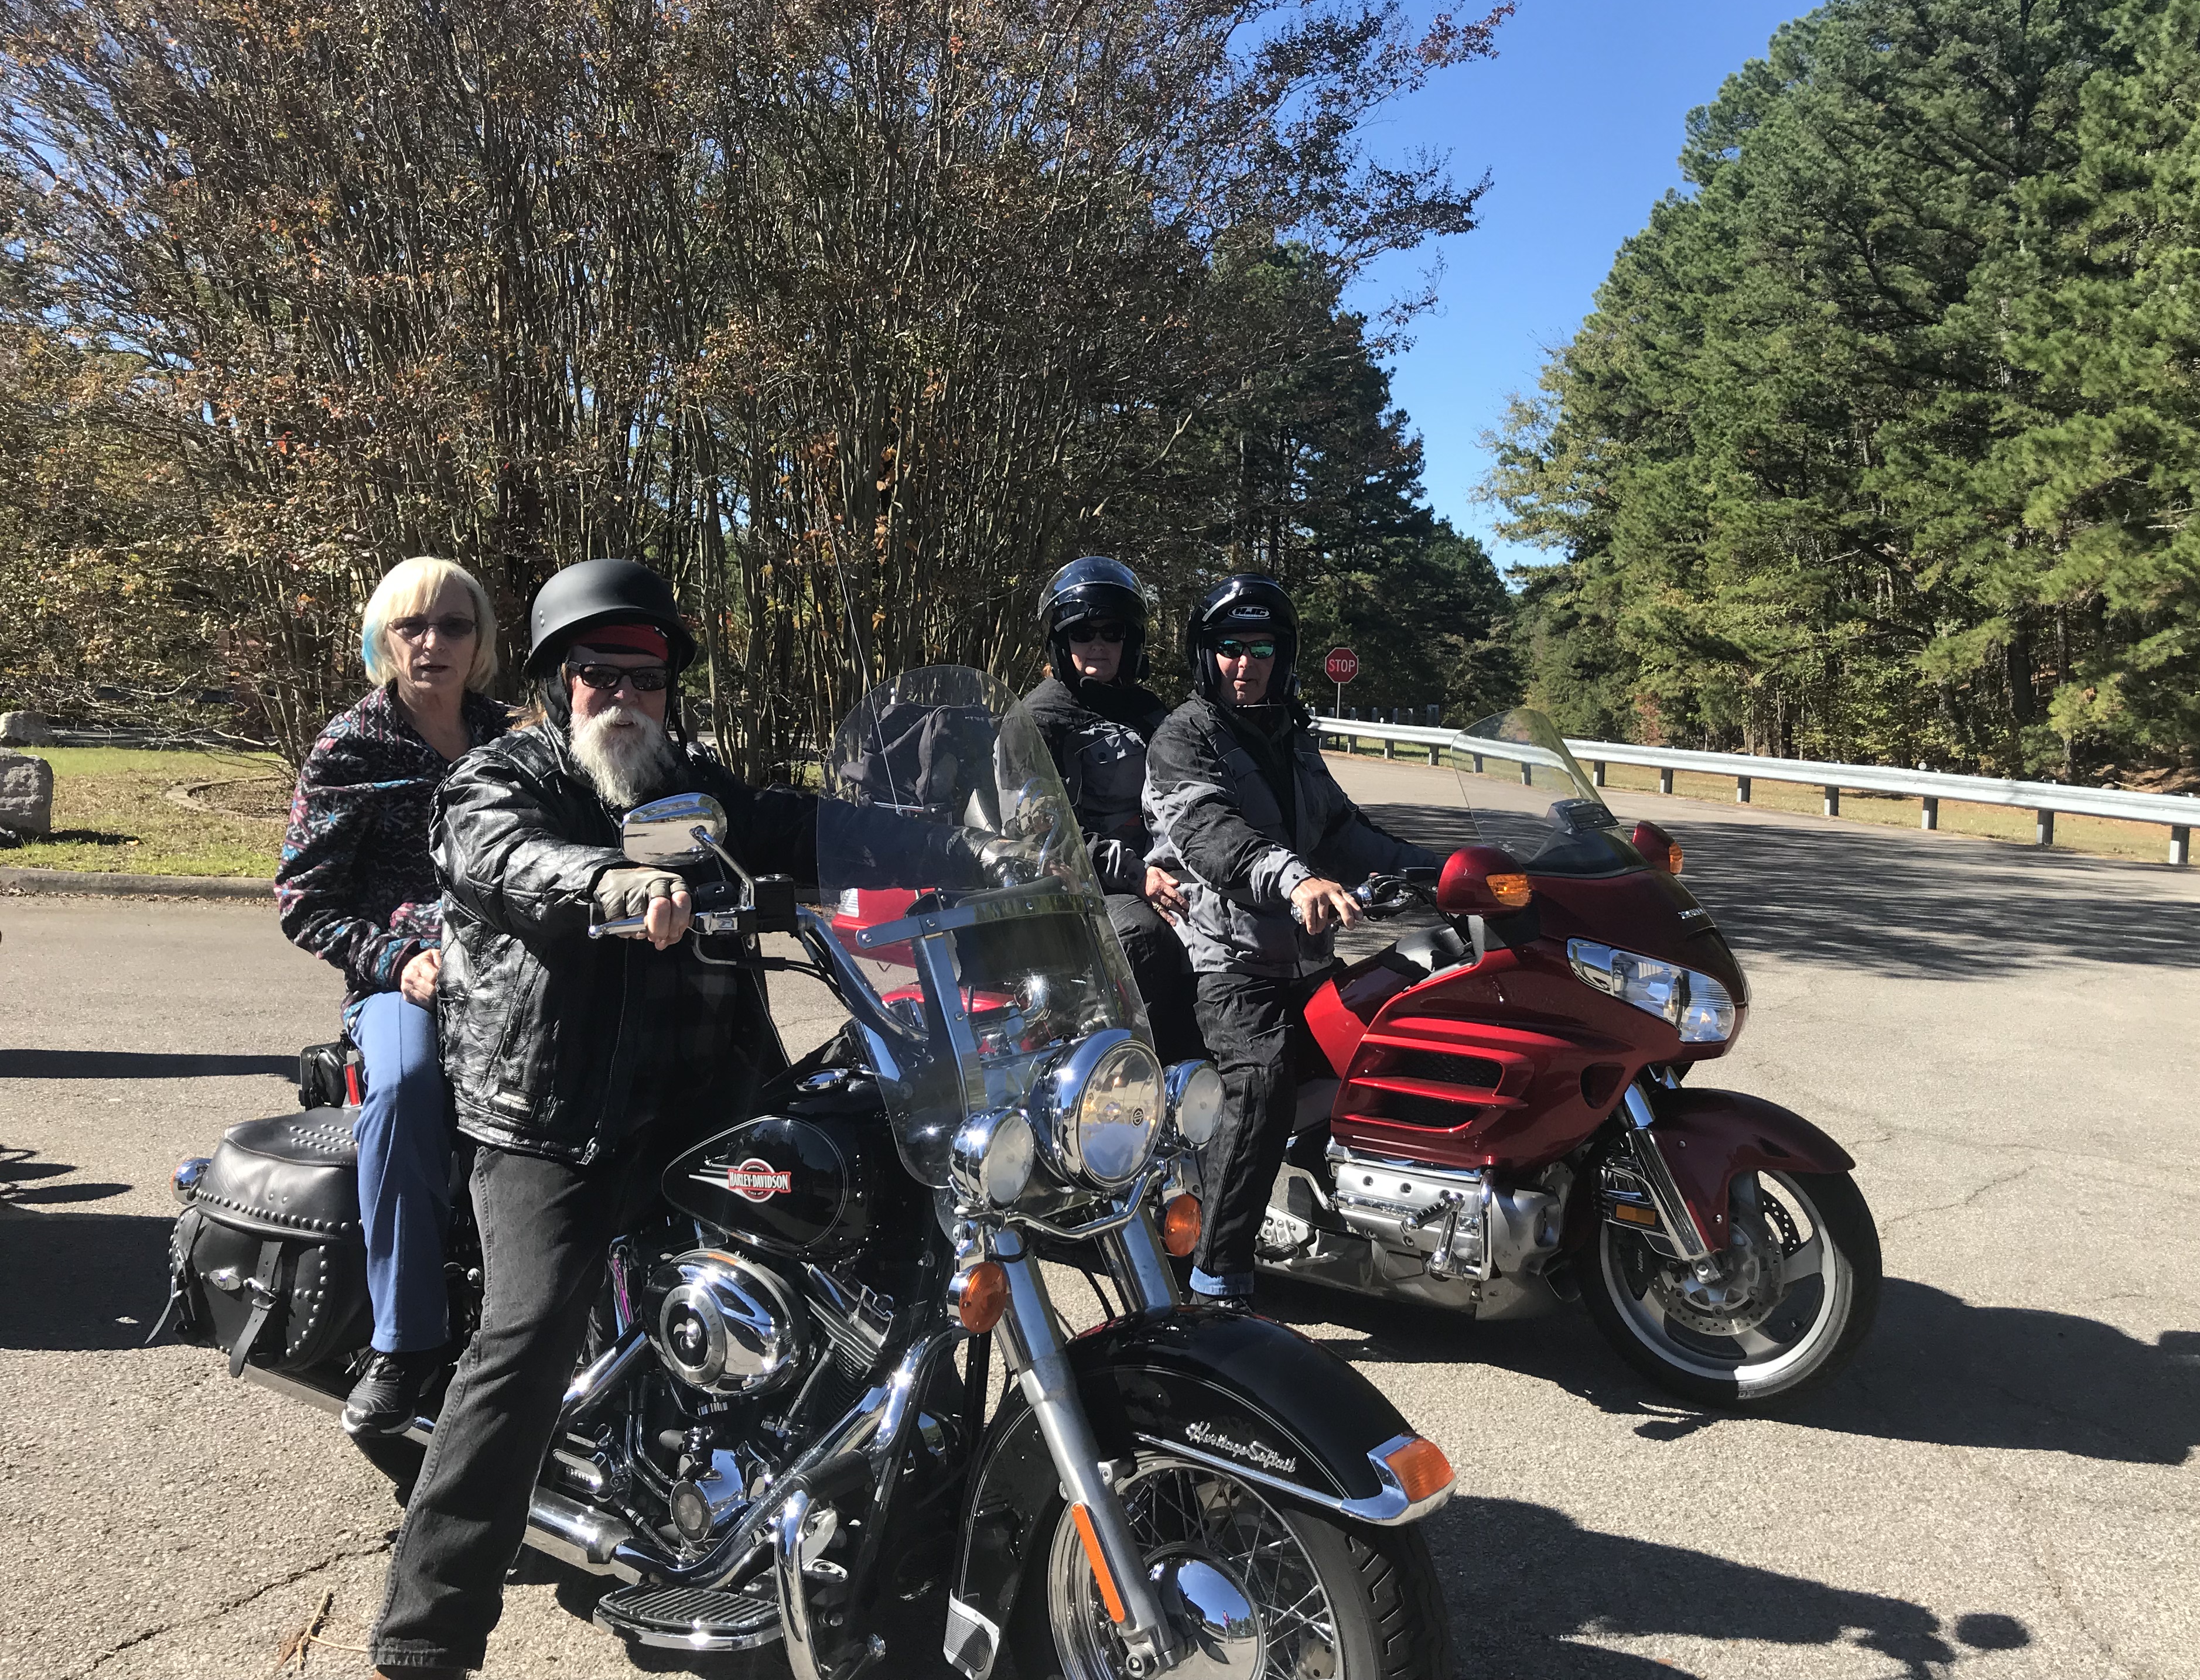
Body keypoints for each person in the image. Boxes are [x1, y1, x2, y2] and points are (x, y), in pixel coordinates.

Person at [367, 560, 978, 1680]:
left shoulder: (690, 785)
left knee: (888, 1213)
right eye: (597, 673)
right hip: (556, 1112)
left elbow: (806, 823)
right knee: (524, 1336)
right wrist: (613, 884)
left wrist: (957, 844)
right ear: (555, 682)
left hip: (710, 1098)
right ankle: (424, 1635)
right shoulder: (500, 778)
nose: (622, 695)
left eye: (643, 676)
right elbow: (506, 858)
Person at [1145, 573, 1439, 1309]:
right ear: (1206, 655)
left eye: (1262, 647)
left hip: (1303, 956)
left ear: (1284, 655)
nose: (1245, 663)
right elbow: (1212, 835)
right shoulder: (1184, 736)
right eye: (1230, 648)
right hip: (1228, 961)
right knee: (1262, 1077)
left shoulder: (1290, 738)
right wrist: (1296, 880)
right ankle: (1215, 1279)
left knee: (1395, 1030)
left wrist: (1444, 872)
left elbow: (1344, 832)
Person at [275, 557, 509, 1439]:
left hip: (522, 969)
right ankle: (404, 1341)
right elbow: (305, 902)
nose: (432, 642)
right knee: (409, 1087)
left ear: (480, 641)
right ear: (384, 639)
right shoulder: (352, 746)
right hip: (404, 982)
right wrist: (396, 958)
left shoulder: (517, 737)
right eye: (412, 625)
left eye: (454, 625)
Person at [1020, 556, 1204, 1063]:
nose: (1098, 643)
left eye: (1112, 632)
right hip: (1082, 883)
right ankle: (1128, 1071)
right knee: (1142, 937)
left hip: (1163, 866)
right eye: (1083, 633)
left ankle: (1212, 1074)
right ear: (1061, 642)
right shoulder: (1041, 718)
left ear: (1131, 640)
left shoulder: (1148, 710)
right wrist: (1137, 875)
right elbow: (1044, 830)